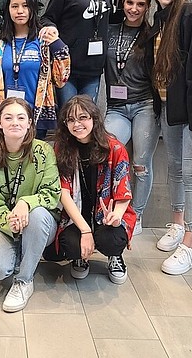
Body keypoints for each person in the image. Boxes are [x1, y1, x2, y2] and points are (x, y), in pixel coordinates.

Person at [149, 0, 192, 275]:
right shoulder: (158, 21)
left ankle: (191, 243)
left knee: (190, 172)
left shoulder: (188, 14)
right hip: (167, 108)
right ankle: (177, 222)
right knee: (174, 166)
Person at [0, 98, 61, 312]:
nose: (15, 122)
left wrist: (26, 202)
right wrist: (11, 222)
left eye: (21, 117)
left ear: (29, 123)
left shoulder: (43, 151)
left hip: (41, 222)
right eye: (8, 117)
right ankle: (22, 252)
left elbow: (52, 193)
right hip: (8, 224)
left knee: (38, 215)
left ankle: (24, 280)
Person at [48, 95, 136, 284]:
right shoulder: (62, 149)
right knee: (69, 245)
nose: (77, 124)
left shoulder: (114, 148)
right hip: (76, 215)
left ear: (94, 119)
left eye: (82, 117)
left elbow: (123, 189)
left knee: (112, 238)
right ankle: (81, 255)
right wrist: (85, 231)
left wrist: (116, 216)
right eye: (71, 120)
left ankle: (115, 256)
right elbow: (63, 193)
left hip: (107, 212)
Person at [103, 0, 160, 236]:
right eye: (129, 3)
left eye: (140, 5)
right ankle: (105, 208)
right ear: (122, 3)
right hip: (115, 107)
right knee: (105, 153)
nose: (134, 9)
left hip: (144, 105)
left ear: (147, 7)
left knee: (140, 164)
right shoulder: (109, 30)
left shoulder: (152, 35)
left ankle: (135, 215)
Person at [0, 0, 70, 137]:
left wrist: (57, 44)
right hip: (6, 115)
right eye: (14, 6)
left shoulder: (44, 40)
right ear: (8, 9)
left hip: (36, 115)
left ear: (33, 9)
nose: (20, 11)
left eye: (25, 6)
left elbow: (62, 79)